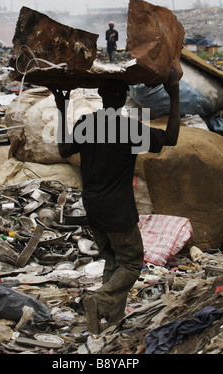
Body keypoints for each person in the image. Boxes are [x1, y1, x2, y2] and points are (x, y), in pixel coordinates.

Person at [50, 67, 180, 334]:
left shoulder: (86, 124)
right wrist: (174, 95)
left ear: (100, 94)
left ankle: (110, 322)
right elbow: (171, 138)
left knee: (112, 261)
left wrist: (62, 107)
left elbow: (64, 150)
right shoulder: (130, 129)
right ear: (123, 98)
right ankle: (99, 301)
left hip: (93, 206)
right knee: (131, 262)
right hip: (118, 210)